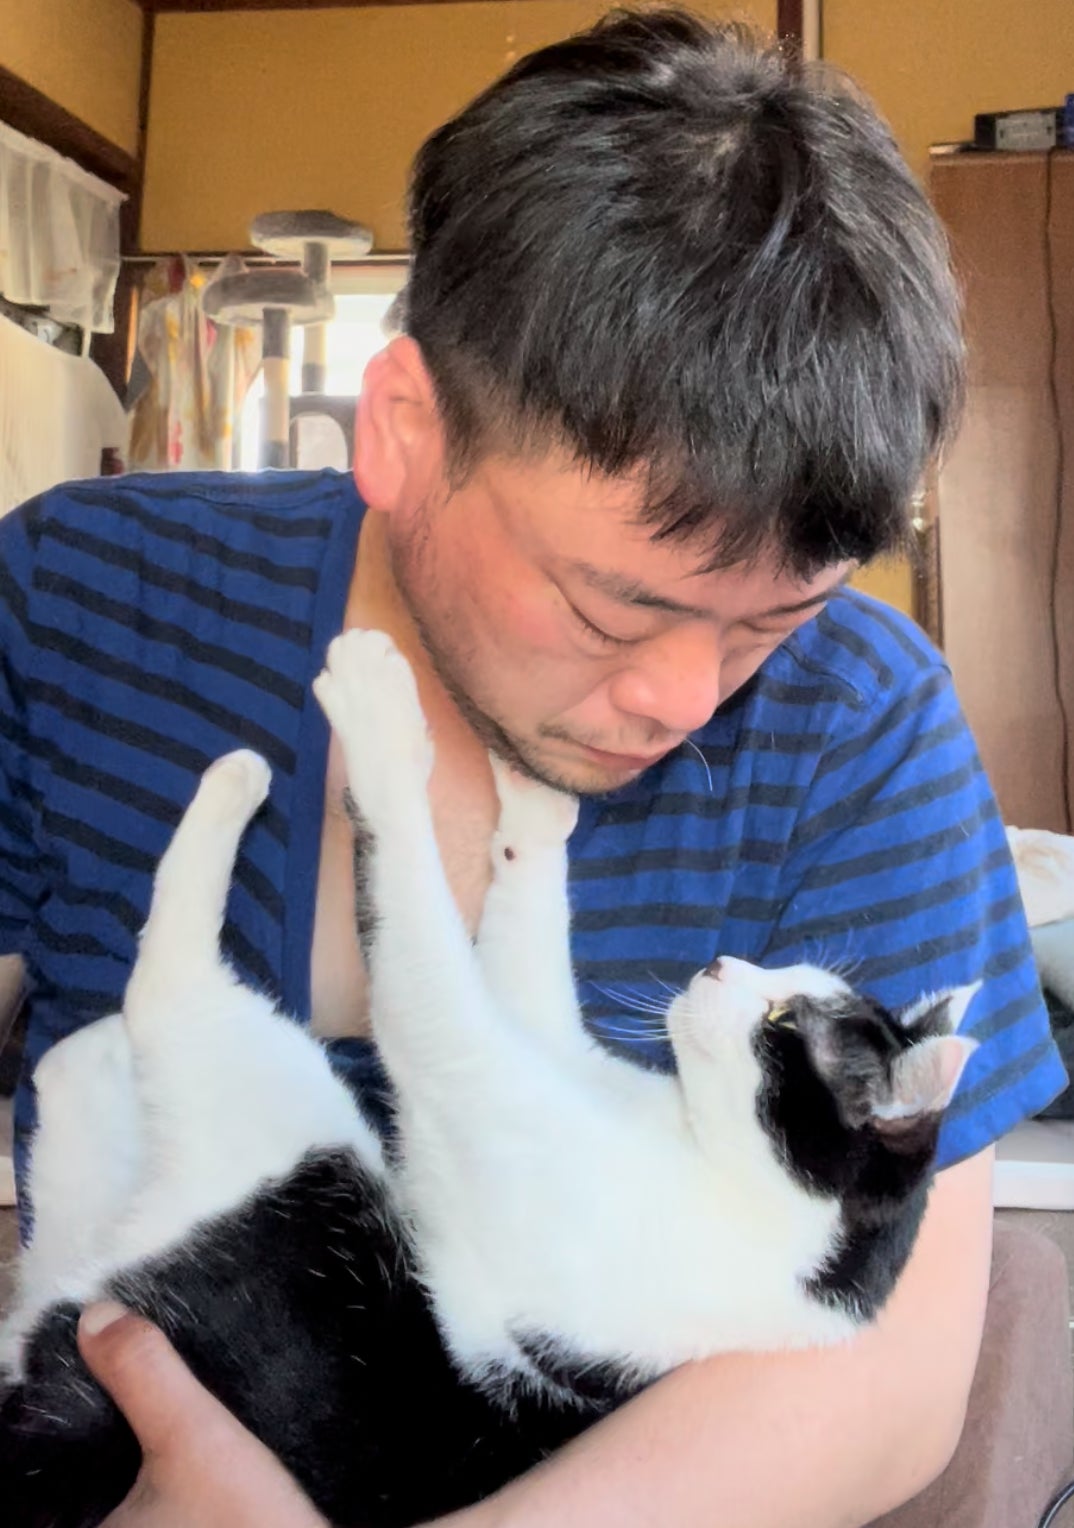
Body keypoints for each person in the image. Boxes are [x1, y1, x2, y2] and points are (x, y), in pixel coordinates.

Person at [0, 10, 1064, 1526]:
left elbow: (880, 1367)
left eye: (772, 620)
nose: (684, 700)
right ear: (404, 430)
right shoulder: (84, 605)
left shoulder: (860, 718)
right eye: (612, 610)